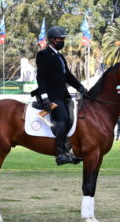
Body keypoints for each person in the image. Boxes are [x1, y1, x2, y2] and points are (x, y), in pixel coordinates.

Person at [36, 25, 87, 165]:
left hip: (63, 96)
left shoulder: (60, 56)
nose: (62, 41)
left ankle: (69, 151)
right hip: (51, 96)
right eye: (60, 39)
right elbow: (40, 77)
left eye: (63, 39)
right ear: (52, 40)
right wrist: (45, 97)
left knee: (72, 119)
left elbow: (68, 76)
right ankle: (60, 154)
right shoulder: (43, 55)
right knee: (63, 120)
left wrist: (81, 87)